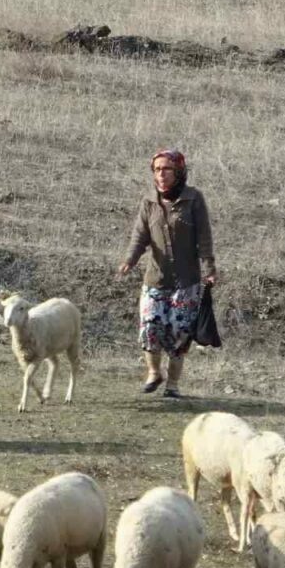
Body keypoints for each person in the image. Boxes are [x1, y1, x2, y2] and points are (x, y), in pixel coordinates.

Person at [116, 149, 217, 398]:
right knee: (149, 326)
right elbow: (139, 236)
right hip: (155, 279)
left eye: (167, 169)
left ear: (178, 171)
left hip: (186, 281)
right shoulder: (149, 201)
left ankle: (172, 385)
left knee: (179, 334)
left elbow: (204, 237)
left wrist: (209, 269)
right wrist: (130, 260)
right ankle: (154, 373)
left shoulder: (193, 199)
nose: (161, 174)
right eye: (157, 169)